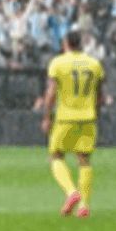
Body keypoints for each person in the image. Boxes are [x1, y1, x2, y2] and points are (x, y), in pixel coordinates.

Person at [42, 30, 105, 218]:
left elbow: (51, 93)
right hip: (87, 117)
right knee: (84, 160)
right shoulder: (94, 64)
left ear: (66, 43)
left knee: (56, 155)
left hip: (66, 117)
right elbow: (100, 95)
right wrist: (96, 114)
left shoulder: (58, 63)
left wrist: (46, 116)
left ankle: (71, 192)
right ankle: (84, 205)